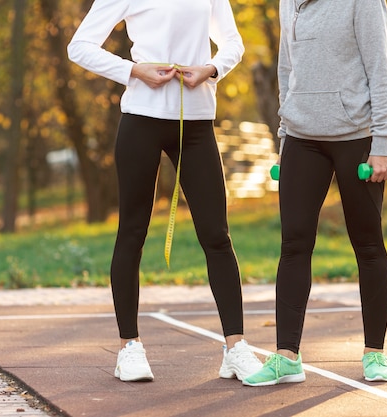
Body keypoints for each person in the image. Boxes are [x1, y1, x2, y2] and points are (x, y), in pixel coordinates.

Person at [67, 0, 262, 382]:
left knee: (216, 235)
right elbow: (80, 46)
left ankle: (235, 348)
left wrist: (211, 69)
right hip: (141, 119)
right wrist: (133, 70)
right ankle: (129, 348)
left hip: (197, 122)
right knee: (132, 233)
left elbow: (233, 43)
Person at [243, 0, 387, 386]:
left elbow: (380, 69)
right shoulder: (288, 2)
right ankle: (286, 356)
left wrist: (382, 142)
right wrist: (283, 135)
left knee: (368, 243)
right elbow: (286, 68)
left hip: (355, 136)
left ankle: (375, 353)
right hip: (300, 137)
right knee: (294, 244)